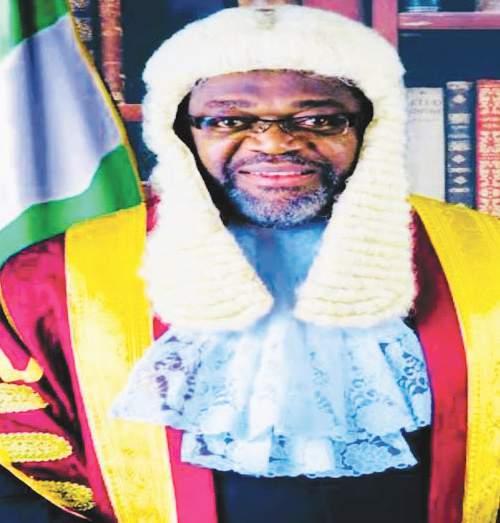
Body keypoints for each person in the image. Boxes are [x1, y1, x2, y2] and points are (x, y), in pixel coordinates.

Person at [0, 5, 498, 523]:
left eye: (319, 119)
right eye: (228, 120)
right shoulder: (54, 280)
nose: (275, 143)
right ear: (180, 132)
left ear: (371, 127)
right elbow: (20, 488)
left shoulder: (487, 258)